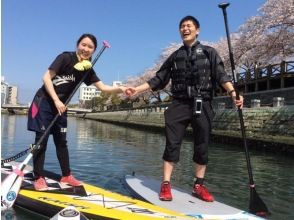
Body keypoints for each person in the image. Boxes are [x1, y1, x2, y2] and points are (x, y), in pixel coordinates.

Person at [128, 16, 243, 202]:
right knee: (172, 144)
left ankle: (199, 185)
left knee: (202, 145)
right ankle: (166, 184)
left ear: (197, 30)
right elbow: (159, 78)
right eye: (182, 26)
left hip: (203, 103)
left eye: (189, 26)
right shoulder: (175, 56)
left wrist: (233, 92)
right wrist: (137, 89)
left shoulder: (210, 53)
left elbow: (221, 75)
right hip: (179, 104)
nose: (185, 28)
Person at [28, 33, 128, 191]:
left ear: (94, 51)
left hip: (62, 107)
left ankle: (66, 175)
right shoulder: (65, 58)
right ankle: (38, 177)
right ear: (77, 44)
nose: (86, 49)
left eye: (90, 47)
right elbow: (46, 78)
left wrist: (121, 88)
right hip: (45, 102)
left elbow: (103, 87)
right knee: (42, 140)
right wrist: (55, 100)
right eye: (84, 45)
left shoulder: (87, 68)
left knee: (62, 141)